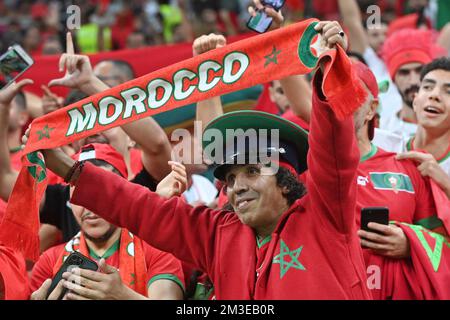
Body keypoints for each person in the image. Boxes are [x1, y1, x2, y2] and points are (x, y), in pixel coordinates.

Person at [28, 20, 372, 299]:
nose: (238, 187)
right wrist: (68, 169)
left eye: (252, 171)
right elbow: (141, 207)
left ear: (287, 181)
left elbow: (335, 152)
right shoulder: (219, 232)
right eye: (231, 178)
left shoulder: (325, 215)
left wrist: (330, 67)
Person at [30, 143, 185, 300]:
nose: (90, 205)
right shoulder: (49, 262)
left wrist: (122, 296)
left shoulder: (157, 248)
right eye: (80, 194)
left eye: (101, 194)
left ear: (123, 192)